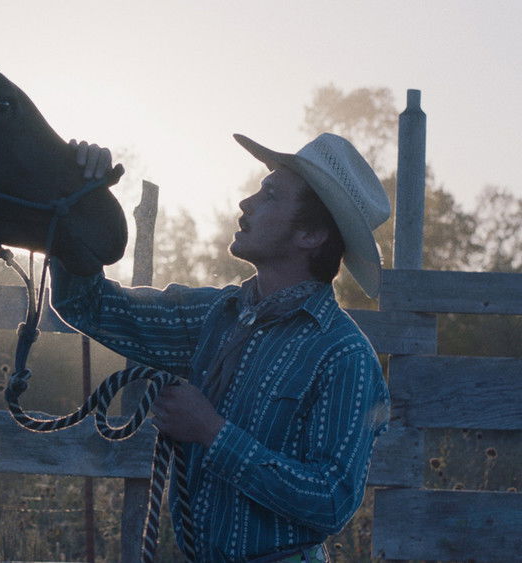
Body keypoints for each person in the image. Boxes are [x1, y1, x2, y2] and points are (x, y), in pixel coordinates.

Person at [55, 135, 392, 562]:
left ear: (311, 233)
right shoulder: (214, 316)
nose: (246, 203)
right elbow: (85, 304)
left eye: (269, 195)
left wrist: (212, 433)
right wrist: (75, 192)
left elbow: (329, 502)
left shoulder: (344, 357)